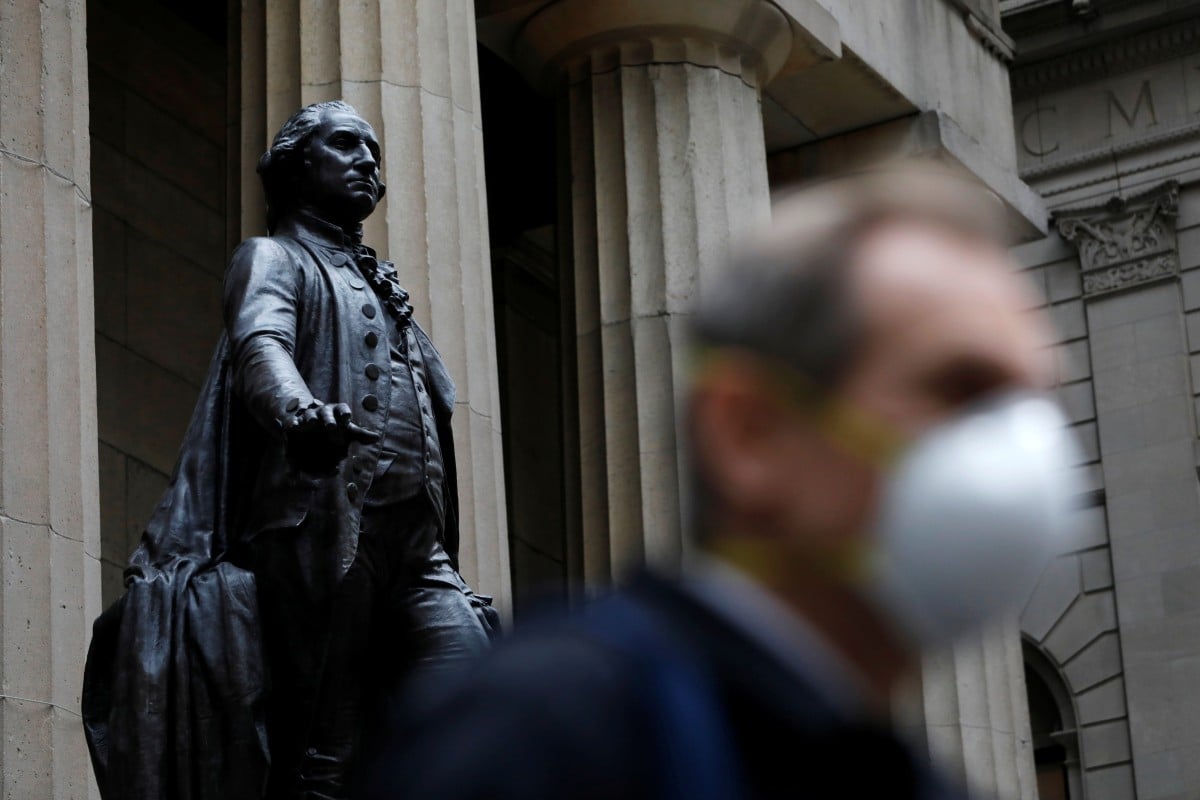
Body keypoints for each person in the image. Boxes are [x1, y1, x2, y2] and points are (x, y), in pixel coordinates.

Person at [362, 164, 1081, 800]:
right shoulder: (545, 732)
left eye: (1029, 402)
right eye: (961, 388)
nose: (1017, 448)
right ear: (749, 433)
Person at [82, 100, 495, 800]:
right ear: (298, 165)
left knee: (481, 715)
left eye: (374, 152)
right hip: (324, 529)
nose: (368, 160)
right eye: (345, 144)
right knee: (324, 748)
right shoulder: (274, 256)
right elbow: (259, 345)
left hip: (419, 551)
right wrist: (299, 413)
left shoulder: (379, 284)